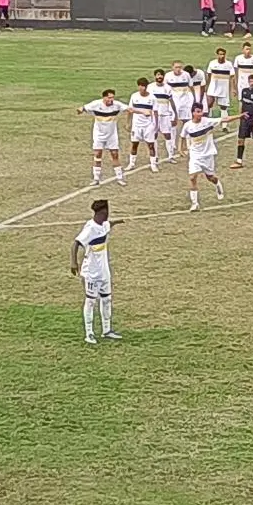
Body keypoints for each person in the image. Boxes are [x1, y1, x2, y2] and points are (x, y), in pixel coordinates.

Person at [69, 199, 124, 344]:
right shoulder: (90, 229)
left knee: (107, 299)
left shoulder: (104, 225)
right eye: (107, 212)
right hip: (91, 273)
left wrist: (118, 222)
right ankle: (89, 333)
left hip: (104, 271)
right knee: (91, 301)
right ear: (102, 212)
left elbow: (109, 224)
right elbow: (75, 244)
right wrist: (74, 262)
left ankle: (107, 330)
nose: (108, 215)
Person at [180, 103, 238, 212]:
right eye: (197, 112)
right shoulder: (188, 125)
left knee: (210, 177)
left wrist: (240, 116)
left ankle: (217, 184)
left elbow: (225, 119)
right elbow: (182, 136)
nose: (200, 114)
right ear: (193, 112)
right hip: (195, 155)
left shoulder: (207, 122)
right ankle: (195, 203)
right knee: (192, 177)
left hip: (207, 155)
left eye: (201, 111)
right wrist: (180, 149)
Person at [77, 89, 133, 186]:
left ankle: (119, 178)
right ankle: (96, 178)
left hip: (112, 135)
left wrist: (143, 111)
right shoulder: (96, 104)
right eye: (109, 97)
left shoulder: (117, 105)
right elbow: (83, 108)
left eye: (112, 97)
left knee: (114, 154)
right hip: (99, 134)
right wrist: (80, 110)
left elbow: (130, 109)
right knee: (98, 154)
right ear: (104, 97)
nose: (111, 100)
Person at [230, 74, 253, 170]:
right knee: (241, 139)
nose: (252, 83)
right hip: (245, 119)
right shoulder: (244, 91)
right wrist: (240, 115)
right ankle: (239, 161)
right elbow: (242, 104)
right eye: (250, 81)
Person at [127, 77, 160, 173]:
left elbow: (155, 112)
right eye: (140, 86)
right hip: (136, 125)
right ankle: (131, 163)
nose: (142, 88)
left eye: (144, 86)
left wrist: (156, 126)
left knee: (151, 145)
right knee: (134, 144)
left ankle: (153, 164)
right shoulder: (134, 96)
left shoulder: (152, 98)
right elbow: (130, 110)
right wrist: (128, 123)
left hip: (148, 125)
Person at [149, 69, 179, 162]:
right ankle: (155, 156)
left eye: (161, 75)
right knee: (154, 135)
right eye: (158, 75)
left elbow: (171, 101)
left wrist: (175, 114)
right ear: (155, 76)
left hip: (165, 115)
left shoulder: (168, 88)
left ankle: (170, 156)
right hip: (154, 115)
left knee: (167, 135)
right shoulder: (150, 87)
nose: (160, 77)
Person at [205, 48, 235, 130]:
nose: (222, 56)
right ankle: (208, 124)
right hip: (213, 87)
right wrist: (207, 86)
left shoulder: (229, 64)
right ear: (217, 55)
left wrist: (233, 89)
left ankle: (224, 126)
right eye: (220, 54)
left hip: (224, 89)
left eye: (223, 54)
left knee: (223, 107)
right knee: (209, 104)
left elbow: (232, 77)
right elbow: (209, 76)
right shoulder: (212, 63)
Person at [167, 61, 194, 128]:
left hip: (185, 101)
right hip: (174, 101)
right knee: (173, 119)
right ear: (172, 67)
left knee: (186, 119)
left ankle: (186, 133)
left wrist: (194, 99)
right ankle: (173, 133)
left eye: (180, 67)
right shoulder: (168, 76)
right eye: (176, 67)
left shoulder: (186, 75)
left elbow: (191, 87)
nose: (178, 69)